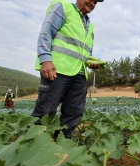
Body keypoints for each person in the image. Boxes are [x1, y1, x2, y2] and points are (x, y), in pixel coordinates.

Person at [32, 0, 104, 139]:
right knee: (46, 111)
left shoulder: (91, 26)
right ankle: (33, 147)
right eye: (92, 0)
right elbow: (46, 33)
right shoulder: (63, 7)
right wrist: (45, 59)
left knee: (74, 113)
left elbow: (84, 52)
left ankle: (61, 145)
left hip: (80, 74)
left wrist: (92, 62)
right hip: (58, 70)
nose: (93, 4)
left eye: (96, 2)